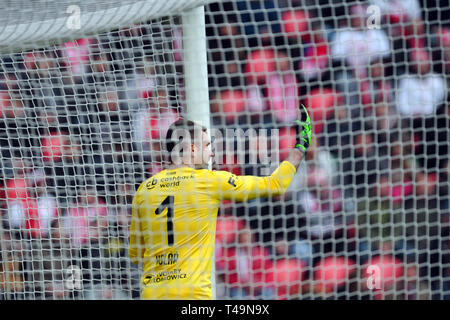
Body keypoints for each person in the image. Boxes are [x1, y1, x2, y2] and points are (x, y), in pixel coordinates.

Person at [129, 105, 312, 300]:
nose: (211, 154)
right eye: (207, 146)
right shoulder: (209, 181)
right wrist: (300, 148)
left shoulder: (144, 189)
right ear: (192, 148)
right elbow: (275, 184)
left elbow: (136, 253)